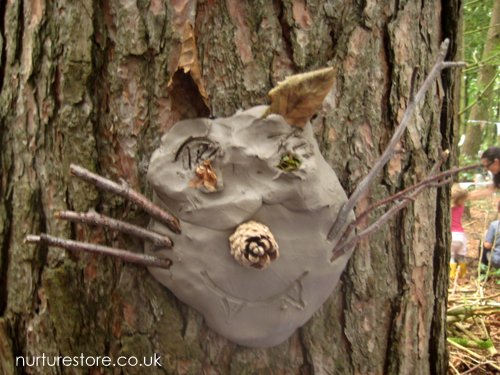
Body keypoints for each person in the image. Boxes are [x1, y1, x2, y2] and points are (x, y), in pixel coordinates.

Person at [450, 185, 469, 279]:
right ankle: (463, 275)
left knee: (451, 256)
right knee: (462, 256)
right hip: (461, 235)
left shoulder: (448, 208)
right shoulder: (461, 206)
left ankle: (452, 276)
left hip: (451, 235)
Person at [482, 201, 500, 268]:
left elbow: (487, 245)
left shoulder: (494, 225)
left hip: (497, 260)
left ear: (498, 209)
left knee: (484, 243)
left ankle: (483, 270)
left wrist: (485, 237)